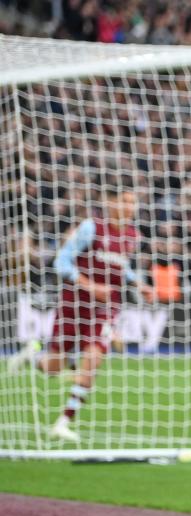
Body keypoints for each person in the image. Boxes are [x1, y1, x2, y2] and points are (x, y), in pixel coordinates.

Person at [7, 175, 155, 442]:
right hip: (74, 304)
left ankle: (63, 422)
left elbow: (122, 267)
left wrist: (139, 284)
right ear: (110, 202)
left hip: (106, 307)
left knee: (92, 360)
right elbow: (61, 263)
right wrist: (90, 286)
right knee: (53, 367)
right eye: (125, 201)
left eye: (134, 203)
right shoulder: (91, 228)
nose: (131, 208)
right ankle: (33, 355)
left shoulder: (133, 236)